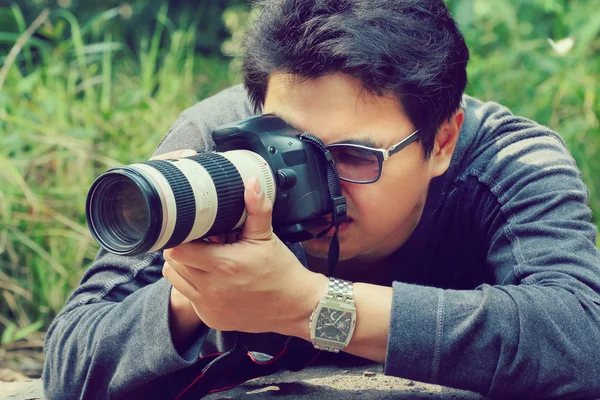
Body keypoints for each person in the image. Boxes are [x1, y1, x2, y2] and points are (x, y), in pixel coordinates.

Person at [43, 0, 600, 398]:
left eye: (356, 156)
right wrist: (197, 294)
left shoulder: (506, 159)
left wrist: (311, 306)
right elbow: (71, 363)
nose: (318, 182)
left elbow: (580, 338)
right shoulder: (219, 142)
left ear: (442, 141)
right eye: (289, 149)